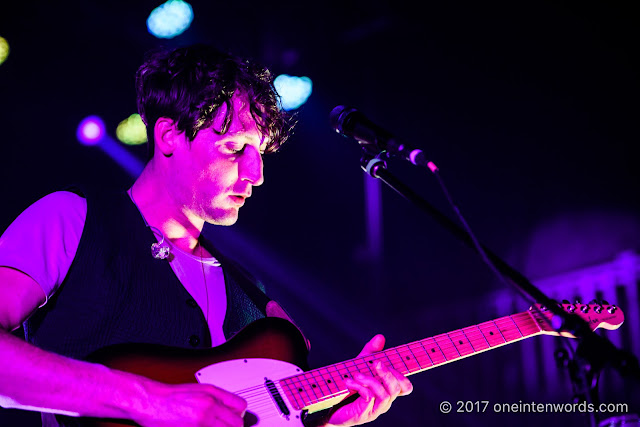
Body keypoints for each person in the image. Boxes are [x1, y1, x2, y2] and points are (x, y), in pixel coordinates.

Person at [0, 44, 412, 426]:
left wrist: (332, 421)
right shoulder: (69, 219)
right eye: (235, 148)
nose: (256, 175)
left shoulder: (253, 295)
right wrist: (151, 400)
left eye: (261, 153)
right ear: (169, 136)